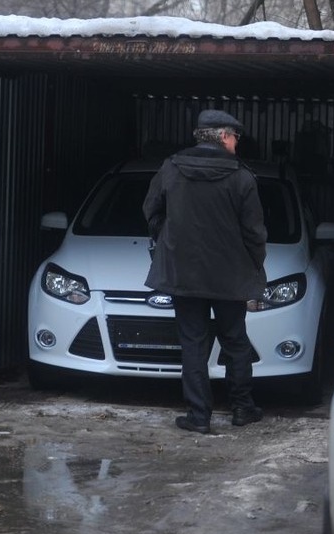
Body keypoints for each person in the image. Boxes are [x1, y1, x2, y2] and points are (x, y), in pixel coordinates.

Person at [142, 109, 268, 434]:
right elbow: (254, 232)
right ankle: (242, 409)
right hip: (229, 276)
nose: (237, 144)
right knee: (235, 341)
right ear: (224, 136)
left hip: (184, 275)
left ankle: (199, 417)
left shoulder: (172, 168)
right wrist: (255, 265)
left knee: (193, 344)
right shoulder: (242, 177)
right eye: (235, 138)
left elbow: (150, 209)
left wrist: (167, 238)